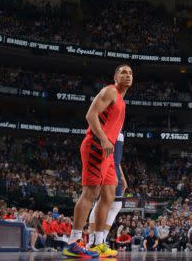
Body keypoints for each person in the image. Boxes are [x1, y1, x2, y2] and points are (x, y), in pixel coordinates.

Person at [64, 64, 132, 258]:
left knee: (109, 195)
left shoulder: (121, 100)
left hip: (108, 152)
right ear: (115, 77)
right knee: (90, 193)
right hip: (97, 145)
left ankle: (97, 242)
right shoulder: (110, 91)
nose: (127, 75)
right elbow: (90, 115)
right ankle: (73, 242)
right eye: (123, 72)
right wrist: (102, 138)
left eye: (130, 73)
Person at [88, 131, 128, 248]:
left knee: (110, 204)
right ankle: (96, 242)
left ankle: (96, 242)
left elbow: (116, 161)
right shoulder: (111, 130)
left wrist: (122, 177)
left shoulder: (117, 131)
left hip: (111, 170)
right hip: (107, 171)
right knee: (106, 204)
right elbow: (111, 159)